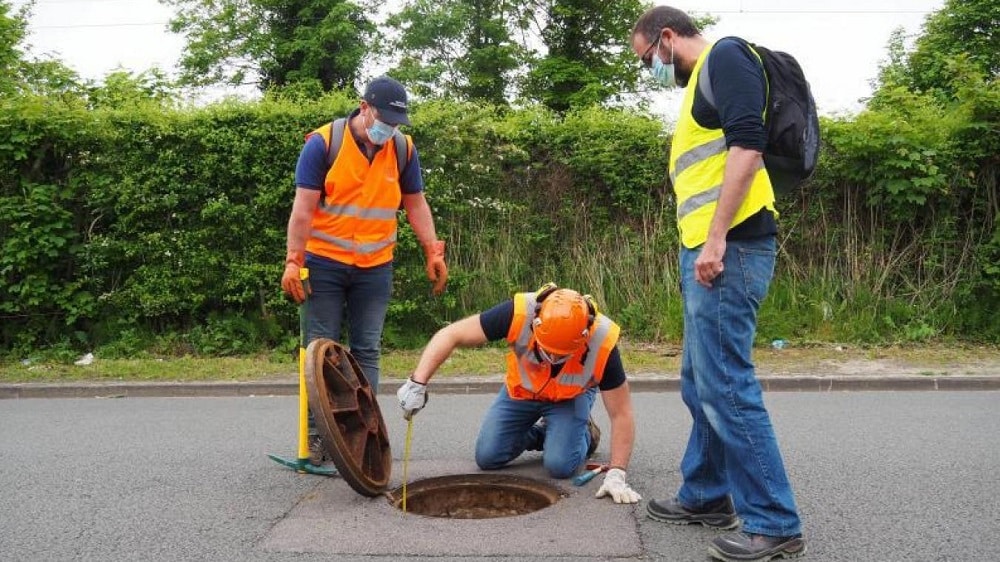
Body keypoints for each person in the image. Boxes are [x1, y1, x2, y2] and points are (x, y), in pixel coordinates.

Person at [630, 6, 806, 562]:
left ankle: (774, 522)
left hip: (728, 250)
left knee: (726, 385)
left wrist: (714, 240)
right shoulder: (699, 86)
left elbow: (747, 150)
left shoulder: (724, 56)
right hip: (710, 251)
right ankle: (706, 494)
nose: (651, 69)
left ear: (665, 38)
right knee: (697, 379)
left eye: (647, 58)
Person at [281, 76, 447, 461]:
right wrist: (294, 260)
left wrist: (432, 250)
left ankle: (361, 435)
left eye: (395, 122)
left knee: (366, 350)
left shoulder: (402, 150)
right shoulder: (323, 144)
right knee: (321, 352)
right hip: (323, 265)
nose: (387, 128)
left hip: (374, 267)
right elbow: (303, 210)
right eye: (384, 119)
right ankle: (320, 436)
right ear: (364, 106)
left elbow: (416, 204)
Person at [396, 283, 641, 504]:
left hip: (569, 397)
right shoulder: (519, 313)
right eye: (549, 351)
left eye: (562, 354)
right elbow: (451, 334)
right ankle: (551, 433)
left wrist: (617, 473)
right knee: (487, 457)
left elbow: (622, 413)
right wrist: (418, 382)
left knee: (560, 465)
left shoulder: (603, 341)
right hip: (521, 393)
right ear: (536, 325)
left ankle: (584, 432)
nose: (554, 358)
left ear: (584, 336)